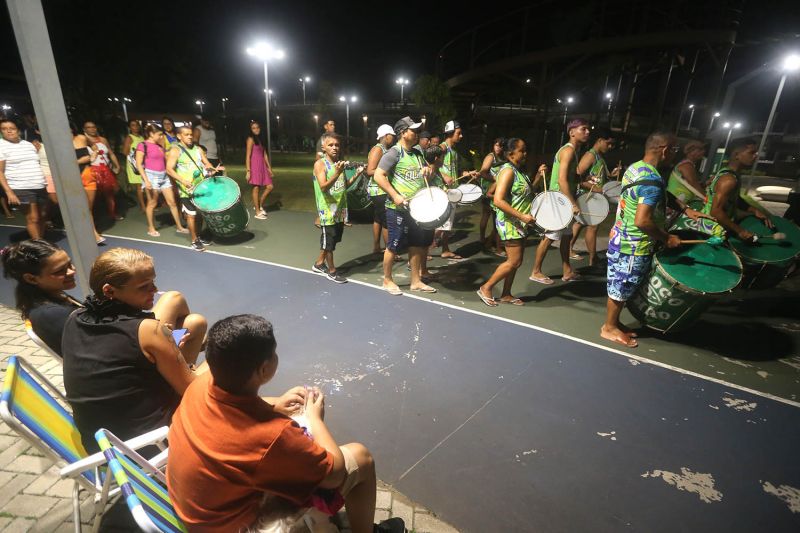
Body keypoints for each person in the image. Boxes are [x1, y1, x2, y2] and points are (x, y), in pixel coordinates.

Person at [166, 314, 403, 533]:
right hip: (232, 525)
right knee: (361, 458)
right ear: (265, 369)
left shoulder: (199, 384)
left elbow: (237, 405)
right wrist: (314, 417)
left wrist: (274, 404)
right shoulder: (274, 437)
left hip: (196, 507)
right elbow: (335, 474)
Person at [62, 247, 208, 453]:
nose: (155, 290)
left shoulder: (75, 317)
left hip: (100, 445)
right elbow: (193, 390)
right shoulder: (146, 330)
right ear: (109, 291)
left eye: (153, 282)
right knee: (228, 353)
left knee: (194, 324)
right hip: (147, 446)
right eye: (144, 286)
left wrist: (164, 345)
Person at [601, 131, 710, 348]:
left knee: (622, 283)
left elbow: (661, 193)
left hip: (621, 237)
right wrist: (667, 237)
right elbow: (643, 221)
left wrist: (685, 209)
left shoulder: (637, 168)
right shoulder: (650, 179)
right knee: (622, 285)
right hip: (633, 244)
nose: (675, 155)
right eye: (675, 150)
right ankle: (609, 327)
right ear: (665, 150)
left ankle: (614, 323)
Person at [477, 139, 546, 307]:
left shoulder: (518, 171)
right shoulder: (508, 171)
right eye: (522, 151)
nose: (525, 153)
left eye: (525, 150)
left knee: (517, 261)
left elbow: (526, 194)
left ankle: (506, 294)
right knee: (514, 261)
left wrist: (537, 177)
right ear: (510, 154)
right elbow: (499, 200)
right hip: (510, 222)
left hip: (519, 222)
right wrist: (522, 217)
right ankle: (486, 288)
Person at [373, 116, 438, 295]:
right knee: (393, 246)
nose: (417, 134)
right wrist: (395, 195)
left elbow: (428, 174)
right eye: (413, 130)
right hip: (397, 209)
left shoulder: (417, 153)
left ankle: (415, 281)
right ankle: (387, 280)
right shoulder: (394, 153)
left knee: (417, 244)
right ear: (403, 133)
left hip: (416, 209)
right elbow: (378, 175)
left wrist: (428, 170)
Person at [530, 118, 590, 284]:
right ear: (572, 132)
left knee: (566, 237)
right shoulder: (569, 151)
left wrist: (583, 178)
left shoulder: (573, 152)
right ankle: (535, 271)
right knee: (550, 236)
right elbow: (562, 180)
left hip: (563, 200)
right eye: (583, 129)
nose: (587, 132)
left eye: (588, 129)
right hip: (559, 201)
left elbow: (570, 177)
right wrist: (572, 203)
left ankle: (567, 271)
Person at [1, 240, 80, 356]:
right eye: (60, 271)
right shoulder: (51, 315)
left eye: (69, 264)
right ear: (31, 279)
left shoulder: (53, 298)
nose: (72, 271)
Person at [311, 133, 362, 283]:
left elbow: (344, 185)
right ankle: (332, 271)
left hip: (339, 210)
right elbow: (324, 187)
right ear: (323, 147)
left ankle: (319, 264)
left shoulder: (339, 164)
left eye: (337, 145)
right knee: (329, 242)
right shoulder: (320, 164)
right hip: (327, 211)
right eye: (330, 145)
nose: (334, 147)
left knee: (332, 241)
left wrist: (357, 174)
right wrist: (338, 172)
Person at [568, 128, 621, 267]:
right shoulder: (590, 155)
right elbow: (577, 177)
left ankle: (569, 248)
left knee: (580, 223)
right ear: (600, 141)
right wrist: (598, 189)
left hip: (593, 196)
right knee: (593, 227)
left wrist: (612, 175)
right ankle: (593, 258)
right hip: (588, 196)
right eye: (609, 143)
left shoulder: (599, 157)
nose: (610, 147)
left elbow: (597, 177)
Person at [703, 137, 773, 240]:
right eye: (751, 152)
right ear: (736, 155)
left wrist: (754, 210)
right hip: (712, 228)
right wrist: (740, 231)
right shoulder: (729, 180)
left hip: (718, 224)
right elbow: (715, 212)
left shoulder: (731, 174)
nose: (755, 156)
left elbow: (733, 198)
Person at [166, 125, 220, 251]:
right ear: (179, 136)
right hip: (187, 190)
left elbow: (207, 163)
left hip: (201, 187)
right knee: (191, 215)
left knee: (201, 213)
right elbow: (169, 169)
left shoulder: (198, 149)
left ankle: (199, 236)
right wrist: (182, 181)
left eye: (190, 134)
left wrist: (211, 169)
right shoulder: (176, 150)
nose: (190, 136)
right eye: (186, 134)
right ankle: (194, 240)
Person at [436, 120, 478, 260]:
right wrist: (443, 175)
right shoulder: (441, 148)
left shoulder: (454, 152)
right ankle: (419, 251)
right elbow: (429, 165)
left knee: (448, 223)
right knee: (438, 224)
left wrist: (466, 173)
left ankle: (445, 249)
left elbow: (455, 172)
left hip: (452, 191)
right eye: (458, 133)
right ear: (450, 133)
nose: (461, 136)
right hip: (442, 191)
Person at [136, 124, 187, 237]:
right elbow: (139, 164)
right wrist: (146, 181)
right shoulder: (142, 145)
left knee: (172, 202)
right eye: (159, 134)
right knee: (152, 203)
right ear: (151, 134)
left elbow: (165, 160)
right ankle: (151, 228)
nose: (161, 137)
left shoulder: (160, 145)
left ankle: (179, 226)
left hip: (164, 176)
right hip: (150, 176)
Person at [0, 119, 47, 239]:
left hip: (39, 185)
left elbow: (34, 161)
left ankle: (40, 242)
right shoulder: (1, 146)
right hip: (20, 186)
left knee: (42, 215)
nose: (9, 131)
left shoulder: (28, 144)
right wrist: (9, 192)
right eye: (4, 129)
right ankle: (39, 247)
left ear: (18, 130)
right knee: (33, 218)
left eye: (12, 128)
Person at [72, 124, 105, 244]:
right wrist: (77, 161)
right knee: (80, 207)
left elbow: (95, 146)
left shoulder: (81, 138)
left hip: (88, 174)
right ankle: (93, 234)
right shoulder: (58, 144)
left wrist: (93, 155)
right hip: (72, 177)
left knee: (88, 208)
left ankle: (92, 232)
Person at [83, 121, 122, 220]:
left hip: (106, 169)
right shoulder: (83, 140)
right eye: (89, 127)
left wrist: (117, 165)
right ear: (84, 129)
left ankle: (112, 213)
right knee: (94, 195)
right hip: (92, 170)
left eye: (94, 127)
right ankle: (93, 217)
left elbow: (111, 153)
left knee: (110, 192)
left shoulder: (103, 140)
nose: (92, 129)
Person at [366, 124, 395, 254]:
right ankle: (390, 251)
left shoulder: (384, 148)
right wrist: (386, 171)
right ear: (385, 136)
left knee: (378, 218)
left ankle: (377, 247)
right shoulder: (378, 149)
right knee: (386, 221)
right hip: (378, 190)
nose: (393, 138)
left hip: (380, 190)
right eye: (392, 135)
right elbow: (370, 170)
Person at [478, 138, 506, 256]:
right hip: (488, 189)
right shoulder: (490, 157)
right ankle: (483, 238)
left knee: (496, 216)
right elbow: (483, 172)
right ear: (493, 145)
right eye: (496, 145)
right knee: (487, 214)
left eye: (501, 146)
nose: (498, 148)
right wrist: (497, 179)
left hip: (497, 189)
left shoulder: (503, 158)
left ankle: (490, 242)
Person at [246, 121, 274, 220]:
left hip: (262, 165)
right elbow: (248, 155)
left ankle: (259, 204)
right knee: (256, 188)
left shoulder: (260, 139)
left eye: (257, 127)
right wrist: (248, 171)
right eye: (253, 128)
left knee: (270, 186)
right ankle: (257, 212)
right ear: (251, 129)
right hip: (254, 165)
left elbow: (265, 154)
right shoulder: (250, 139)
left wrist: (269, 168)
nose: (256, 129)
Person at [666, 140, 707, 204]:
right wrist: (707, 199)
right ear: (691, 152)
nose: (703, 151)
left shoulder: (689, 165)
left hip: (678, 202)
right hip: (675, 204)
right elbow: (694, 185)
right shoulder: (686, 166)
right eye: (700, 149)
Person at [30, 138, 59, 226]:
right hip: (47, 175)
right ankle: (44, 221)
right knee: (55, 200)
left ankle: (45, 220)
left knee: (49, 202)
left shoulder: (58, 145)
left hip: (59, 176)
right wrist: (35, 149)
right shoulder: (37, 145)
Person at [122, 119, 147, 213]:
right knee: (139, 186)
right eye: (133, 125)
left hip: (144, 163)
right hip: (134, 165)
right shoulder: (129, 137)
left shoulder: (142, 137)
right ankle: (143, 206)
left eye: (136, 125)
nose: (135, 127)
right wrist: (135, 154)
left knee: (145, 184)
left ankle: (148, 204)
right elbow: (125, 152)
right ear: (129, 127)